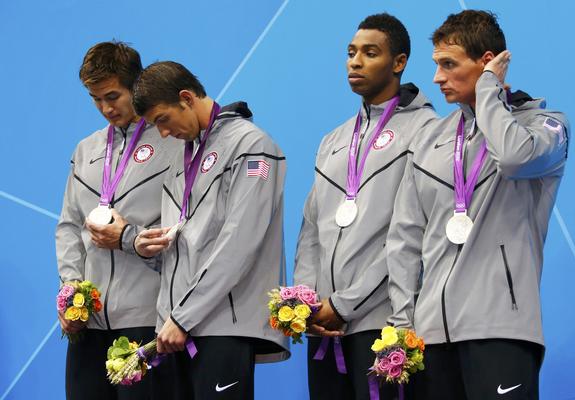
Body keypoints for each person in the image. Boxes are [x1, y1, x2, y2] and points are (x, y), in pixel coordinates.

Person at [386, 10, 569, 400]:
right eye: (436, 65)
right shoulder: (430, 138)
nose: (437, 78)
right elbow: (404, 237)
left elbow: (515, 158)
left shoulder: (545, 125)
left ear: (488, 63)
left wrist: (489, 90)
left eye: (449, 64)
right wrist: (403, 324)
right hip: (430, 337)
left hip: (501, 330)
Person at [293, 13, 437, 399]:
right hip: (325, 325)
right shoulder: (333, 139)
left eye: (370, 53)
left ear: (399, 62)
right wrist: (305, 302)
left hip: (383, 322)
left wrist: (345, 303)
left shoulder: (427, 131)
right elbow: (311, 229)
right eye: (351, 52)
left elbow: (411, 234)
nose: (355, 61)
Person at [131, 61, 289, 400]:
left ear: (186, 98)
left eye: (162, 120)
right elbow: (191, 243)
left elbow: (240, 241)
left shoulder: (251, 145)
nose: (162, 133)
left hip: (220, 326)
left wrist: (183, 316)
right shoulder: (181, 157)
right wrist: (150, 251)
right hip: (176, 329)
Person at [56, 41, 178, 399]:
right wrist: (71, 292)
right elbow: (68, 227)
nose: (105, 108)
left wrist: (127, 237)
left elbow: (184, 231)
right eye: (96, 99)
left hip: (147, 321)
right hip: (89, 326)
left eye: (112, 96)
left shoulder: (172, 142)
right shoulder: (87, 150)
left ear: (136, 85)